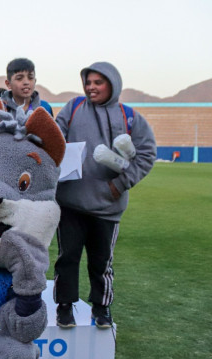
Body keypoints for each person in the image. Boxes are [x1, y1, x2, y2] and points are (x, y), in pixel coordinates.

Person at [53, 62, 156, 329]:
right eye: (88, 82)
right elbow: (54, 137)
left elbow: (147, 155)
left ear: (112, 83)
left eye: (98, 82)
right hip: (71, 203)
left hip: (108, 207)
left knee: (102, 263)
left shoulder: (130, 116)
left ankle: (102, 308)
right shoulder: (73, 108)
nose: (91, 87)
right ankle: (64, 307)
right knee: (67, 258)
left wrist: (120, 185)